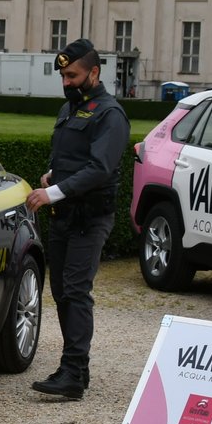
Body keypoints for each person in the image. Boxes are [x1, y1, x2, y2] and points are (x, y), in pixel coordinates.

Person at [24, 38, 129, 399]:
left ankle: (71, 371)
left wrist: (50, 193)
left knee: (75, 291)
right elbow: (70, 155)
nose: (66, 82)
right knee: (61, 293)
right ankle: (76, 371)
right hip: (66, 215)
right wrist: (53, 173)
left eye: (73, 75)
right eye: (63, 76)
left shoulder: (109, 114)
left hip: (90, 217)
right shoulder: (69, 109)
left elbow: (100, 168)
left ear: (94, 72)